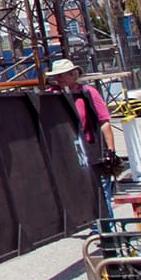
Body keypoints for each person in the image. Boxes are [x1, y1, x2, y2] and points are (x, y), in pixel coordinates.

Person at [46, 58, 121, 205]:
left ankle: (104, 226)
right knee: (79, 195)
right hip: (67, 153)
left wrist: (110, 150)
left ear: (74, 75)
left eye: (62, 75)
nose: (58, 79)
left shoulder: (88, 93)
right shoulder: (51, 95)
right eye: (56, 76)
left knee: (100, 194)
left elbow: (104, 121)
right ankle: (95, 225)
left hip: (91, 150)